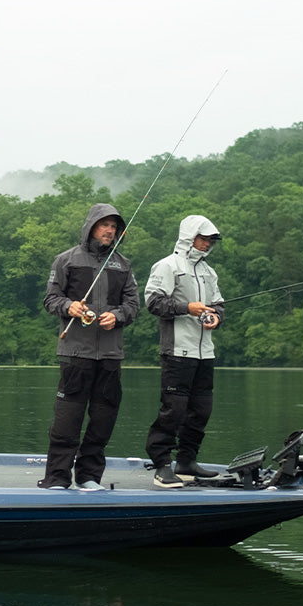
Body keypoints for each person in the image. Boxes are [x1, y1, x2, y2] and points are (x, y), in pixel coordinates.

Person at [38, 203, 140, 490]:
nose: (109, 230)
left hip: (110, 355)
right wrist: (69, 306)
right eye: (104, 225)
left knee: (103, 419)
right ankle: (57, 478)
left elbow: (133, 305)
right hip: (75, 353)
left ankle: (89, 477)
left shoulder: (124, 264)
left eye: (114, 226)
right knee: (67, 420)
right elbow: (50, 299)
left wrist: (117, 316)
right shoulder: (66, 260)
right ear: (91, 226)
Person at [142, 214, 225, 489]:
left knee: (201, 410)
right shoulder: (167, 266)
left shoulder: (208, 272)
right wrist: (186, 308)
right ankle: (162, 465)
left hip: (205, 353)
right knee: (173, 411)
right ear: (189, 237)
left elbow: (218, 305)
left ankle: (187, 462)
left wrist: (216, 318)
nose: (206, 245)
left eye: (210, 241)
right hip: (177, 351)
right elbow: (153, 303)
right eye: (203, 239)